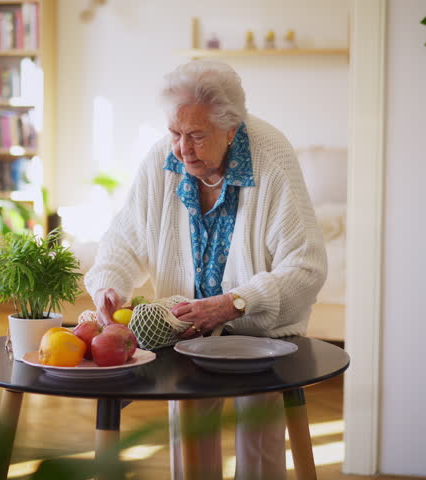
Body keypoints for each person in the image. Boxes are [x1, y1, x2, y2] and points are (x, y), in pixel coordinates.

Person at [84, 60, 327, 480]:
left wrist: (237, 302)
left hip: (259, 335)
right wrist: (110, 285)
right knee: (190, 438)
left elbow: (306, 268)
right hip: (184, 328)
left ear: (232, 129)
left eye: (197, 136)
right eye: (175, 133)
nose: (183, 149)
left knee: (260, 441)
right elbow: (125, 238)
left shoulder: (271, 158)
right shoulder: (163, 158)